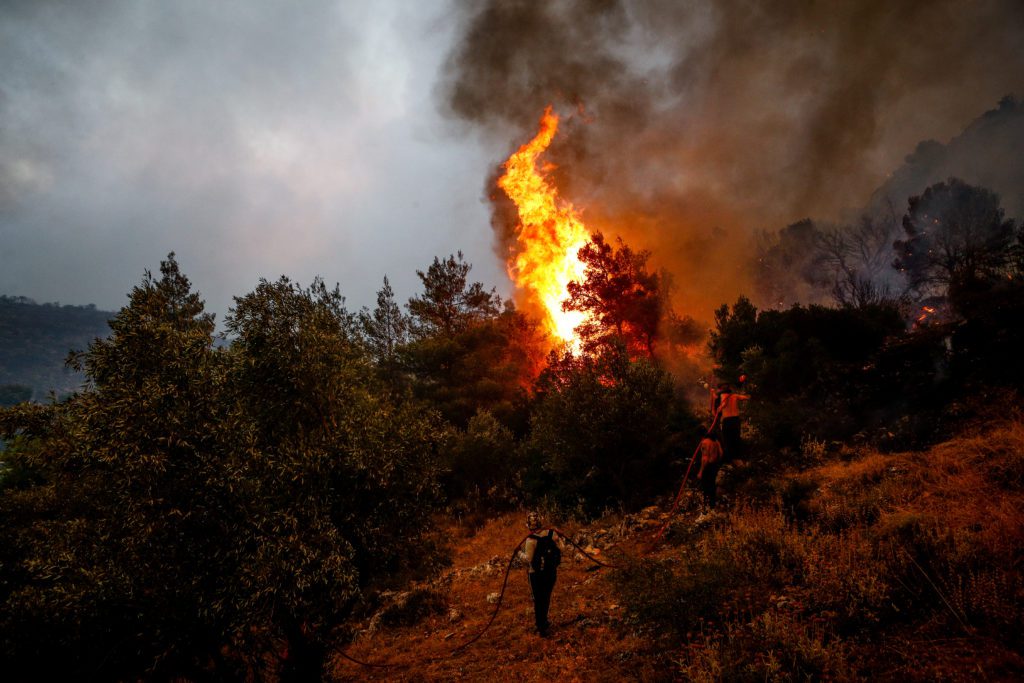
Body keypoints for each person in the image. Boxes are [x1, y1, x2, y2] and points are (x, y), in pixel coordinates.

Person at [523, 511, 560, 637]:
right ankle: (544, 621)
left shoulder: (530, 540)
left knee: (538, 600)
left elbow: (528, 559)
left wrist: (518, 553)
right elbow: (562, 548)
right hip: (551, 572)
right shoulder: (552, 533)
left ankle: (541, 626)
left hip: (536, 574)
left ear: (528, 525)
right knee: (546, 597)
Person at [718, 383, 749, 462]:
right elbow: (745, 397)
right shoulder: (735, 396)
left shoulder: (723, 395)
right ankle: (737, 457)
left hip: (728, 420)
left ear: (721, 390)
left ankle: (729, 459)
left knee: (727, 440)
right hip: (736, 420)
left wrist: (720, 408)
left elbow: (724, 404)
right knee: (736, 438)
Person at [697, 429, 724, 514]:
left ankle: (705, 509)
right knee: (712, 487)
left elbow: (705, 458)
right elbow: (721, 453)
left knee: (705, 488)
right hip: (715, 466)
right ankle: (712, 507)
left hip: (708, 466)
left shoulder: (704, 442)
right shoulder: (715, 442)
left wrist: (701, 471)